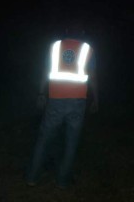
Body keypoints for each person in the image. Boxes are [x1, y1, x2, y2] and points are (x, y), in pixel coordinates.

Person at [24, 19, 98, 189]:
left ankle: (32, 177)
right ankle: (63, 181)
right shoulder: (88, 49)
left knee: (44, 139)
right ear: (83, 33)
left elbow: (45, 71)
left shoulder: (54, 47)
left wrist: (42, 93)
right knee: (71, 142)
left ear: (66, 30)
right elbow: (93, 77)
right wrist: (96, 98)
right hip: (78, 102)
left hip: (55, 100)